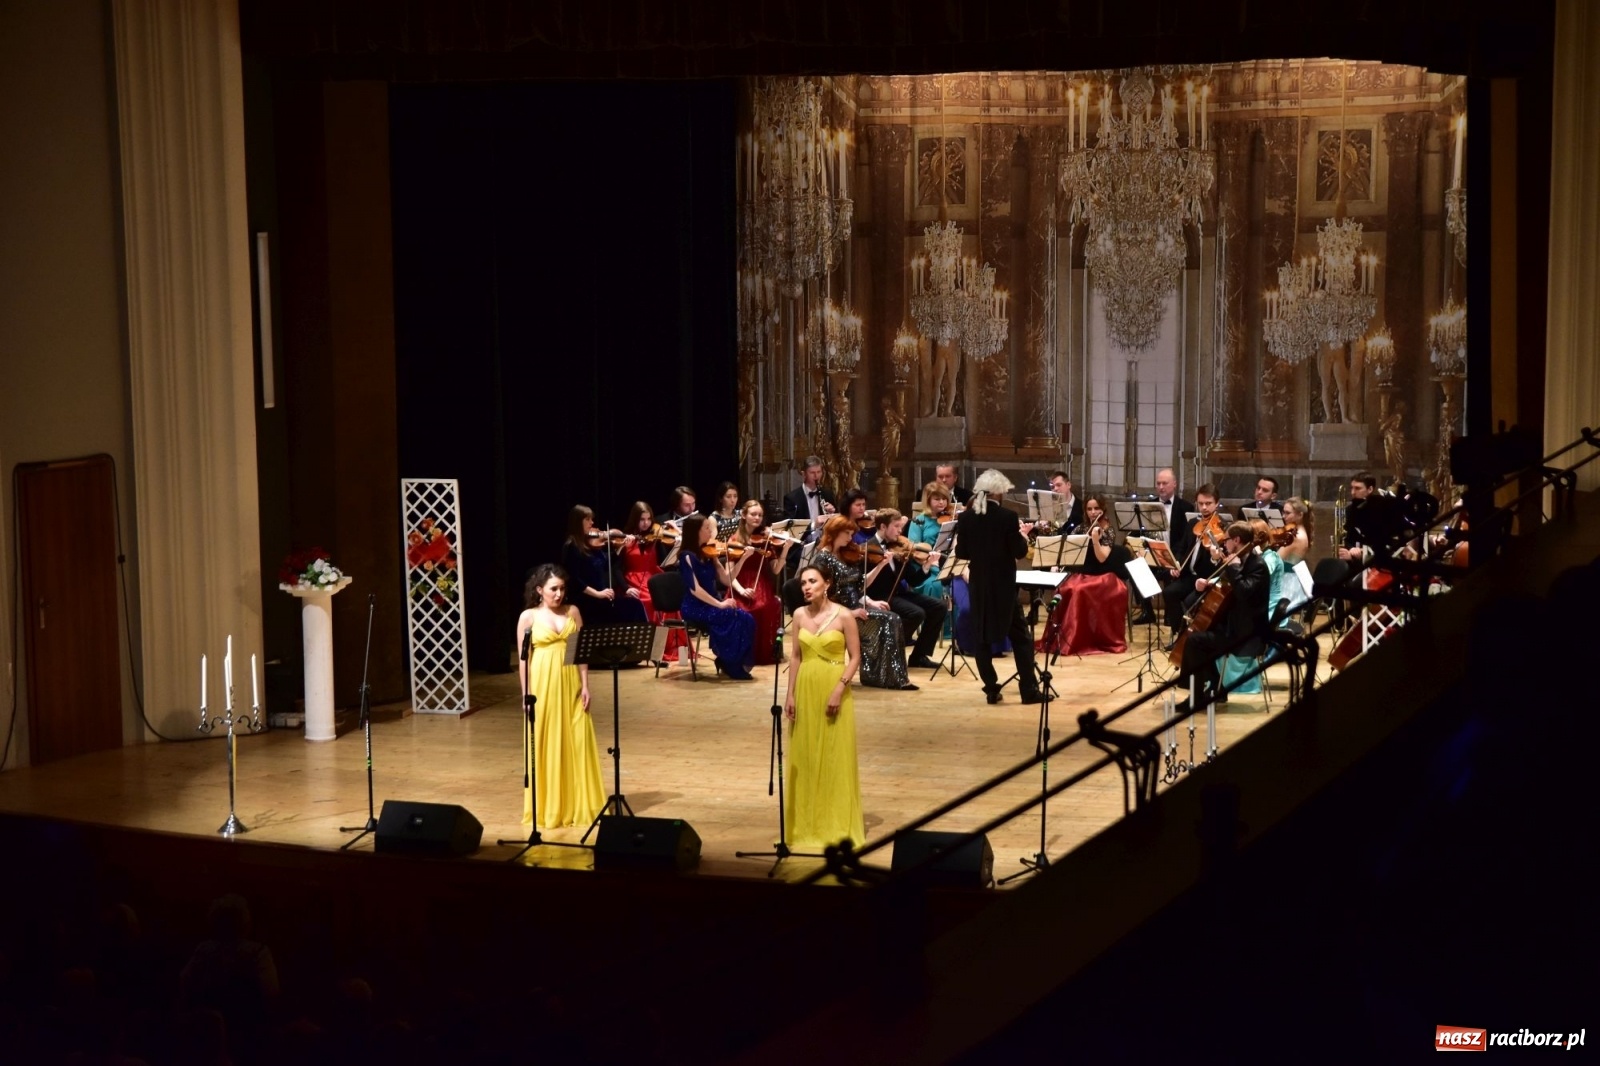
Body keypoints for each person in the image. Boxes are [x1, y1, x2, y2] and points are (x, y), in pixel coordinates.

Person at [782, 564, 865, 851]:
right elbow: (795, 656)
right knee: (805, 756)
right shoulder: (799, 615)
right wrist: (790, 694)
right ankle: (807, 824)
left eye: (812, 581)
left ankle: (835, 823)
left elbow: (855, 657)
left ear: (826, 583)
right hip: (806, 686)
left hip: (834, 687)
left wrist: (840, 688)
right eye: (803, 582)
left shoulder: (844, 616)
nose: (806, 587)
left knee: (833, 756)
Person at [515, 564, 604, 828]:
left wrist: (585, 685)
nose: (559, 594)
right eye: (554, 589)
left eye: (562, 588)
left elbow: (581, 652)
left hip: (570, 683)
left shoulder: (573, 612)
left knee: (576, 740)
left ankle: (579, 804)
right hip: (542, 686)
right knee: (548, 740)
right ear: (540, 590)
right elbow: (524, 660)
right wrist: (526, 694)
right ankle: (550, 807)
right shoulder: (528, 617)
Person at [954, 469, 1041, 705]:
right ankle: (1028, 691)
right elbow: (1019, 552)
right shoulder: (1008, 517)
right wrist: (1022, 536)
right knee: (1021, 638)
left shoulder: (966, 518)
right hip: (1003, 587)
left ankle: (992, 689)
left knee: (982, 638)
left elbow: (961, 553)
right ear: (998, 492)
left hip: (979, 585)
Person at [811, 514, 915, 690]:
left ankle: (887, 677)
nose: (851, 538)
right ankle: (883, 677)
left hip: (856, 606)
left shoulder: (846, 554)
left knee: (892, 618)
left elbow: (861, 584)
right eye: (848, 533)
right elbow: (821, 594)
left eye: (852, 534)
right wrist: (848, 613)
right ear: (835, 532)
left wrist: (880, 566)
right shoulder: (823, 558)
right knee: (889, 620)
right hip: (839, 612)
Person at [1174, 520, 1271, 705]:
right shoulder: (1239, 559)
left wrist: (1233, 568)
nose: (1223, 544)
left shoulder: (1257, 565)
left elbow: (1243, 592)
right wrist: (1210, 584)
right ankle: (1216, 688)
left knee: (1195, 641)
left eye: (1226, 540)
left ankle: (1197, 697)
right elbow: (1228, 586)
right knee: (1196, 636)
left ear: (1236, 540)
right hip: (1232, 625)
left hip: (1247, 632)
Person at [1036, 494, 1131, 658]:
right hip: (1082, 573)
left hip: (1103, 576)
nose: (1093, 512)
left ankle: (1077, 639)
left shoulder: (1108, 530)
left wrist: (1095, 540)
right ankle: (1060, 636)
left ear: (1103, 510)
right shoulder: (1080, 528)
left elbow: (1102, 558)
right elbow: (1067, 551)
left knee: (1078, 591)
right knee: (1063, 588)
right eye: (1089, 509)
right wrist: (1057, 564)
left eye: (1096, 508)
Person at [862, 509, 947, 670]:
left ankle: (919, 656)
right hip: (880, 597)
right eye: (896, 526)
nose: (901, 531)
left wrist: (927, 565)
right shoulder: (867, 549)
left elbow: (913, 581)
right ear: (882, 526)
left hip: (899, 594)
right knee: (916, 613)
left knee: (939, 606)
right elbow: (862, 583)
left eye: (901, 526)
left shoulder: (900, 548)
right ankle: (888, 650)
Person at [678, 514, 756, 680]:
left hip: (711, 603)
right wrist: (720, 604)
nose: (711, 531)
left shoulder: (710, 553)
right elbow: (695, 589)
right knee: (729, 615)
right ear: (695, 532)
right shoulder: (686, 556)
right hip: (694, 607)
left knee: (747, 618)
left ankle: (728, 660)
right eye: (706, 528)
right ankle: (729, 663)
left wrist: (742, 560)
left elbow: (727, 579)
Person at [615, 500, 691, 663]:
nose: (646, 523)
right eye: (642, 520)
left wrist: (676, 547)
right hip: (632, 582)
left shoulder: (656, 538)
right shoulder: (626, 538)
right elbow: (616, 569)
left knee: (670, 606)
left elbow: (664, 561)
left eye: (649, 519)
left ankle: (677, 653)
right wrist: (626, 588)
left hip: (654, 578)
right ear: (635, 520)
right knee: (649, 602)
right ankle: (653, 652)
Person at [559, 505, 648, 629]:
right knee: (630, 609)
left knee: (635, 605)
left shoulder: (590, 543)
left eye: (591, 519)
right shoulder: (571, 547)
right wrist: (598, 594)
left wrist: (621, 547)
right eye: (588, 519)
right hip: (587, 601)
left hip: (602, 598)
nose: (592, 522)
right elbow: (574, 580)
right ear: (578, 521)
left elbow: (606, 565)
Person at [727, 498, 792, 666]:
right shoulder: (734, 540)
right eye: (753, 514)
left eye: (760, 515)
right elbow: (729, 575)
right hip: (739, 584)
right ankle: (744, 653)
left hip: (761, 585)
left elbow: (776, 569)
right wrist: (741, 591)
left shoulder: (766, 540)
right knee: (746, 610)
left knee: (766, 606)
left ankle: (764, 653)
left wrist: (785, 548)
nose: (757, 518)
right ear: (744, 515)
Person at [1161, 484, 1221, 635]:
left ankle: (1188, 635)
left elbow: (1222, 564)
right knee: (1169, 592)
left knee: (1189, 601)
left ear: (1217, 503)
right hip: (1189, 575)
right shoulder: (1193, 523)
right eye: (1201, 504)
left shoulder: (1222, 528)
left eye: (1208, 504)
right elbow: (1182, 548)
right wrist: (1177, 564)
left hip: (1206, 578)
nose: (1204, 508)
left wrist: (1215, 557)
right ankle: (1178, 634)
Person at [1154, 467, 1196, 567]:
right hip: (1152, 556)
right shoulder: (1148, 505)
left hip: (1175, 557)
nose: (1161, 487)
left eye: (1164, 483)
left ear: (1174, 484)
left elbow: (1184, 540)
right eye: (1158, 483)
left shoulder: (1186, 507)